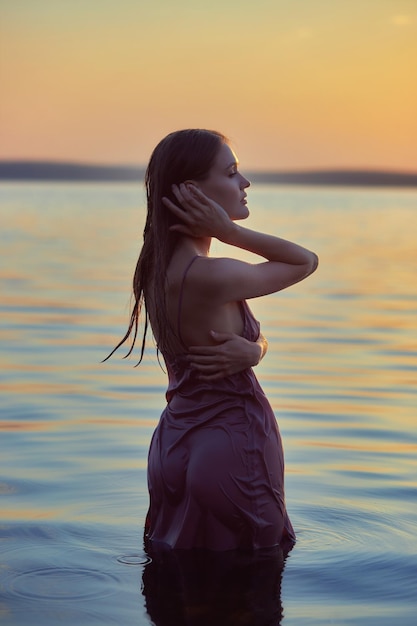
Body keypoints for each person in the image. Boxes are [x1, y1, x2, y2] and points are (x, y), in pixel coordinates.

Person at [107, 129, 318, 551]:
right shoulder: (214, 274)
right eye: (232, 172)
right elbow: (305, 261)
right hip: (231, 441)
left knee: (178, 587)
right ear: (192, 191)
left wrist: (256, 349)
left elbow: (229, 342)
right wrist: (230, 233)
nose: (245, 184)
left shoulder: (154, 270)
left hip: (172, 443)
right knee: (253, 585)